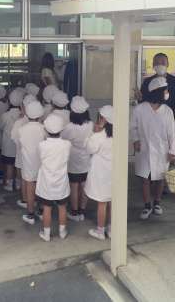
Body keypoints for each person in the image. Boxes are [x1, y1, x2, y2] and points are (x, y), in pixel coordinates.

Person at [131, 77, 175, 220]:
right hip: (144, 149)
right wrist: (135, 139)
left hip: (162, 150)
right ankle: (147, 205)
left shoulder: (167, 111)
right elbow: (132, 127)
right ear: (158, 92)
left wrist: (173, 151)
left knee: (160, 178)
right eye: (165, 91)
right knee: (145, 178)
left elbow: (172, 133)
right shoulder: (140, 109)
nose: (167, 93)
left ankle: (157, 203)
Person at [36, 114, 71, 242]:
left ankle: (46, 234)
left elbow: (40, 159)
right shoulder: (67, 144)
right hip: (61, 181)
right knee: (62, 207)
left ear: (46, 129)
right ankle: (62, 232)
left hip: (47, 182)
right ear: (61, 129)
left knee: (47, 208)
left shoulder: (42, 145)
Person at [61, 96, 93, 222]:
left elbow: (63, 139)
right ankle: (82, 211)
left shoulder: (69, 127)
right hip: (86, 159)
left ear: (72, 112)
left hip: (73, 159)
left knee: (74, 186)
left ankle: (74, 212)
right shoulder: (90, 124)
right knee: (84, 185)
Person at [84, 105, 113, 240]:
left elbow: (90, 149)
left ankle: (100, 231)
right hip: (114, 173)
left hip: (101, 173)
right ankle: (112, 229)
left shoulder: (99, 136)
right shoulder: (119, 134)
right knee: (112, 201)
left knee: (102, 202)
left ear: (103, 119)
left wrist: (93, 133)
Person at [140, 53, 175, 129]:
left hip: (170, 121)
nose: (160, 65)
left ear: (168, 64)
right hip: (151, 121)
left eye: (163, 62)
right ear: (153, 65)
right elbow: (143, 101)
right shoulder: (147, 82)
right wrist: (139, 98)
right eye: (157, 63)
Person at [18, 100, 46, 225]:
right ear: (40, 114)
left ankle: (30, 214)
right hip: (42, 162)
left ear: (27, 113)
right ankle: (41, 211)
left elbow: (18, 143)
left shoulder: (22, 129)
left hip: (28, 162)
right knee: (42, 186)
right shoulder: (44, 128)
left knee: (30, 187)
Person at [0, 89, 25, 192]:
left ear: (9, 101)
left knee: (9, 165)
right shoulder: (23, 116)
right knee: (18, 166)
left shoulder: (5, 115)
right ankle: (18, 184)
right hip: (19, 146)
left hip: (8, 145)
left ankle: (9, 185)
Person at [11, 94, 35, 204]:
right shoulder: (40, 122)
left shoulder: (19, 122)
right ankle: (34, 200)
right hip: (35, 156)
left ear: (23, 107)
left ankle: (25, 200)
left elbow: (14, 138)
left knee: (24, 179)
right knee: (34, 179)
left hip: (22, 154)